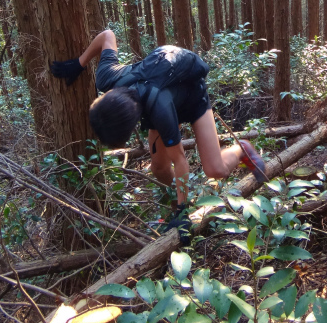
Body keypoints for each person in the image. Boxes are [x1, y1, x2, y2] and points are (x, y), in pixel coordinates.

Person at [51, 30, 267, 211]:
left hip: (191, 96)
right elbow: (107, 35)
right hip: (157, 94)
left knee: (215, 170)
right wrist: (78, 64)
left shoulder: (159, 110)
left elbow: (181, 160)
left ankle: (242, 150)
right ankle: (181, 200)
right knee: (159, 169)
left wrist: (183, 213)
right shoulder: (108, 78)